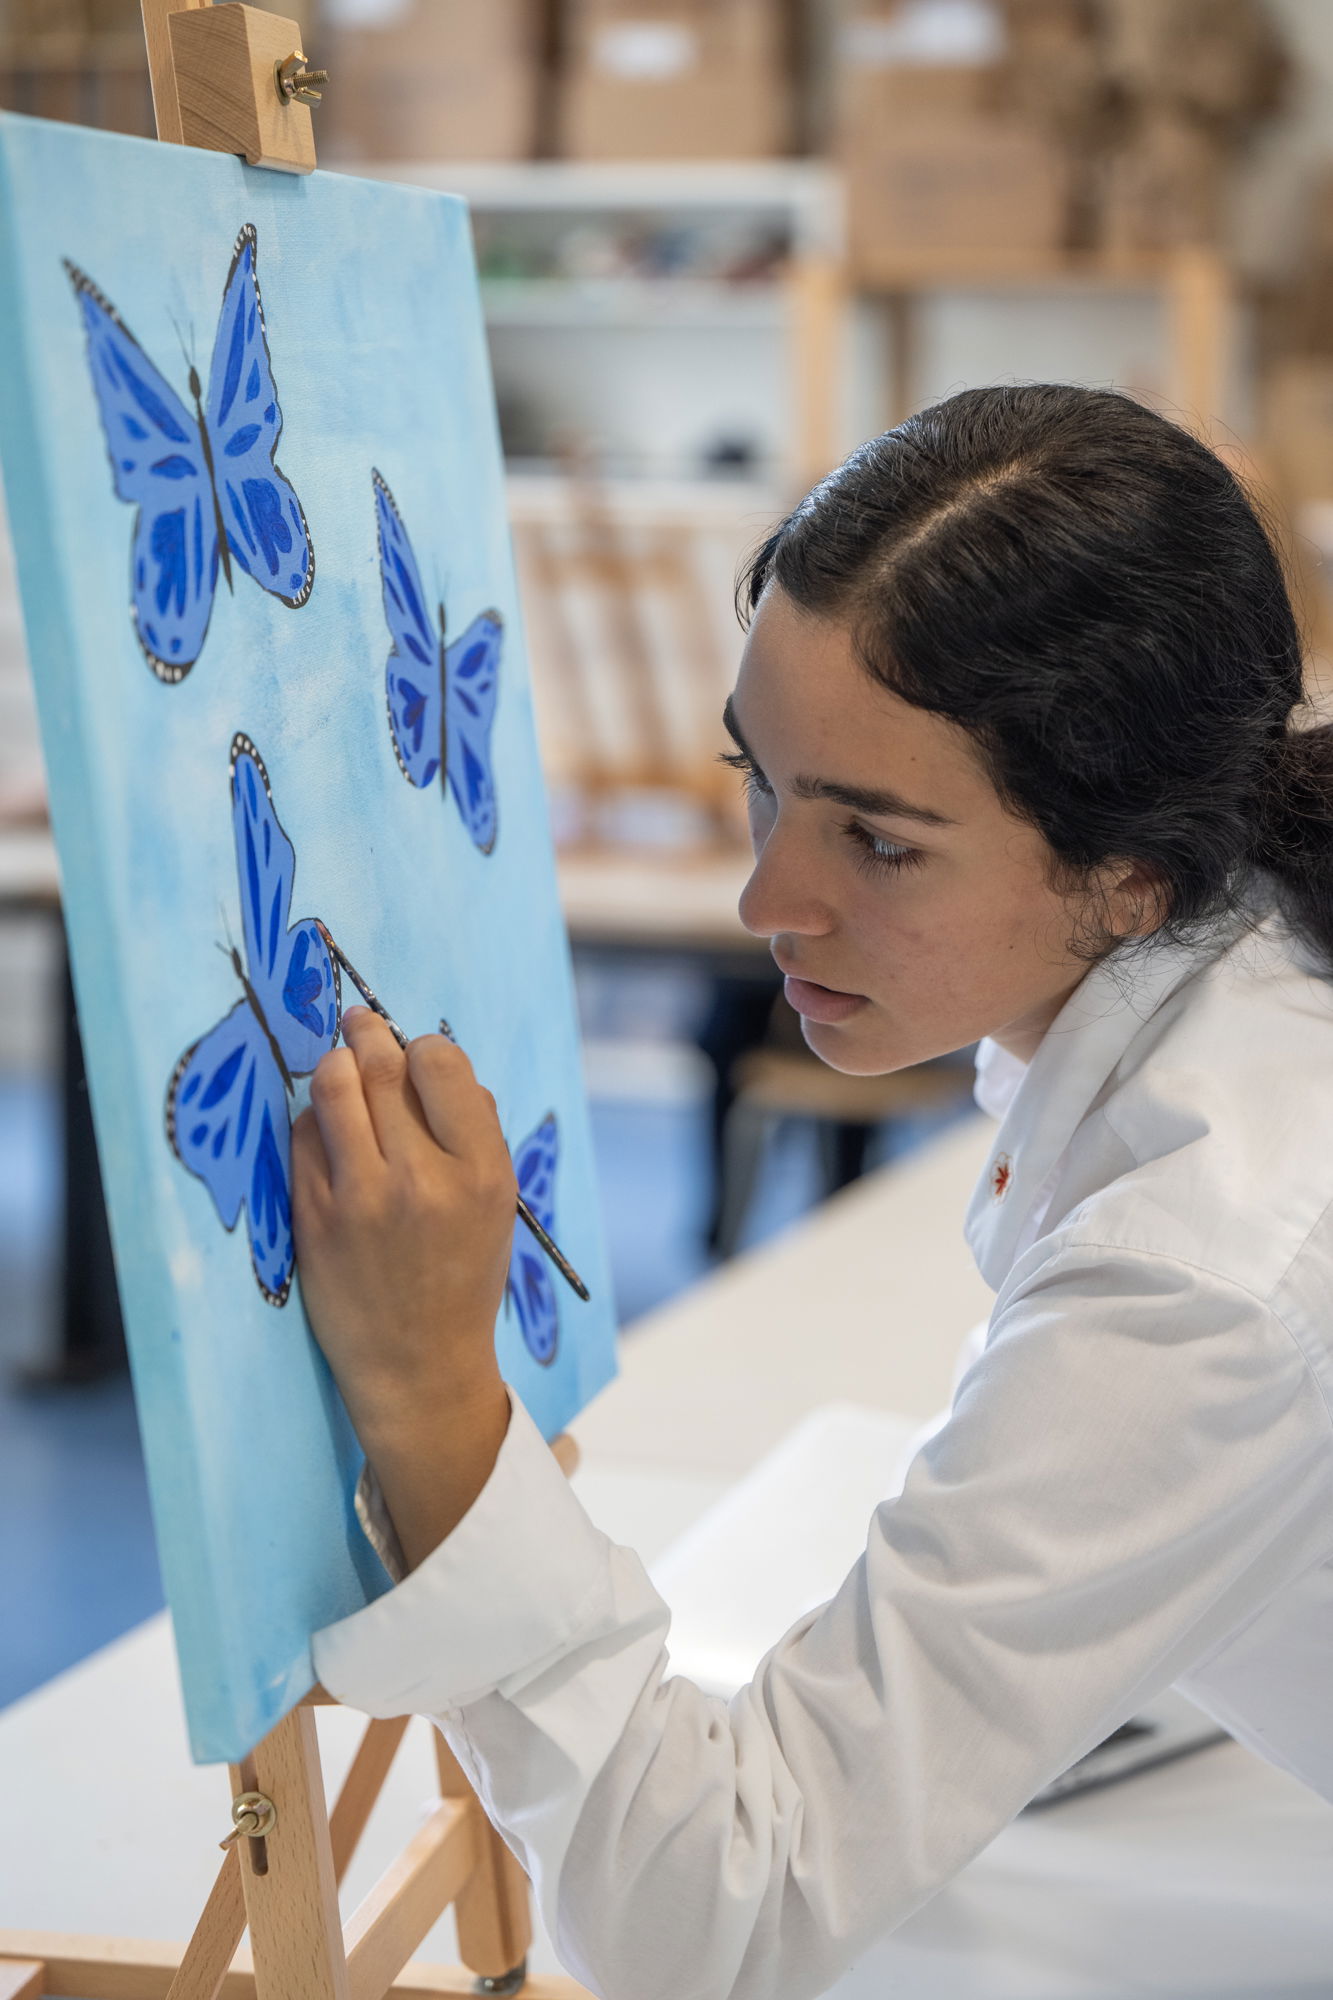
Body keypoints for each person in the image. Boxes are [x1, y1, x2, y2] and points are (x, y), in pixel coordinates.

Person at [297, 384, 1333, 2000]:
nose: (763, 895)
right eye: (761, 780)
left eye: (881, 843)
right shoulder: (1236, 955)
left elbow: (715, 1919)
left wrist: (436, 1404)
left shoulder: (1204, 1256)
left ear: (1129, 874)